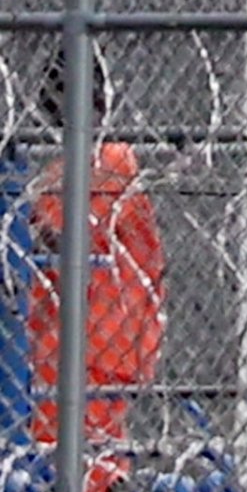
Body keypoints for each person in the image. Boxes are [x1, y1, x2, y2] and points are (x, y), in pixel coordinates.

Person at [22, 53, 165, 452]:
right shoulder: (65, 167)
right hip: (67, 335)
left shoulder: (109, 159)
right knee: (80, 441)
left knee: (73, 443)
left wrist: (25, 224)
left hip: (101, 334)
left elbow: (70, 238)